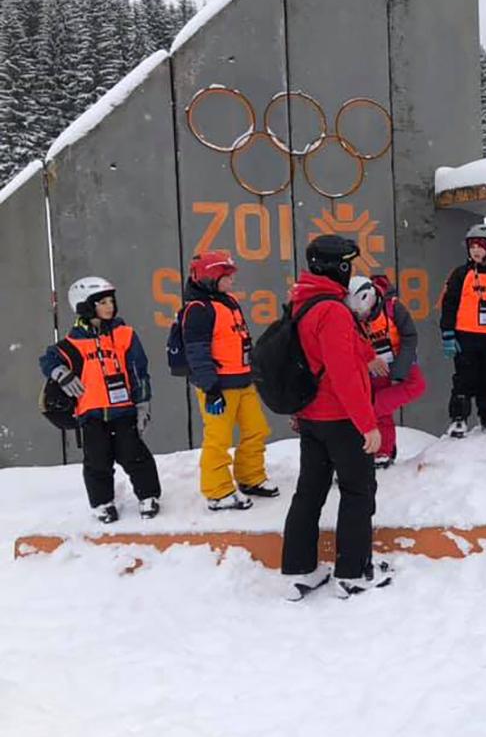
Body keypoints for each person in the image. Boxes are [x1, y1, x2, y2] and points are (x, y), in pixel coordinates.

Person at [281, 235, 389, 600]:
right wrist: (367, 424)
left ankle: (300, 570)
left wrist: (366, 353)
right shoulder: (333, 311)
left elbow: (318, 351)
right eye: (349, 264)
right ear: (339, 267)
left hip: (311, 416)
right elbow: (342, 374)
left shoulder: (304, 300)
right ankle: (353, 573)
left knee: (308, 494)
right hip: (340, 418)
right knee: (358, 492)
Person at [39, 276, 161, 523]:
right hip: (91, 414)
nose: (109, 306)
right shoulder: (72, 343)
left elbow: (140, 370)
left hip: (124, 411)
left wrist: (142, 404)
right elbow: (47, 360)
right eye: (102, 302)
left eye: (111, 301)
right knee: (97, 461)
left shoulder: (125, 334)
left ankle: (148, 496)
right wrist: (60, 373)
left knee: (134, 454)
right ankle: (102, 503)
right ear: (84, 306)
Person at [181, 250, 276, 511]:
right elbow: (197, 352)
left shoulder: (229, 301)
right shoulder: (198, 310)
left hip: (243, 381)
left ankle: (250, 477)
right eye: (226, 276)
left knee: (256, 429)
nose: (232, 281)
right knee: (218, 440)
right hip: (218, 386)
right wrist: (210, 389)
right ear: (211, 278)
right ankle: (218, 491)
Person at [439, 223, 486, 438]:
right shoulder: (461, 274)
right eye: (472, 246)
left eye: (481, 245)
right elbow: (449, 304)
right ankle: (458, 419)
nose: (475, 250)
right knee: (463, 379)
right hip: (466, 337)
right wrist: (447, 333)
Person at [346, 274, 426, 468]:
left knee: (415, 386)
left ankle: (371, 410)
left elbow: (409, 335)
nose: (362, 317)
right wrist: (367, 362)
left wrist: (401, 368)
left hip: (399, 360)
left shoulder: (393, 307)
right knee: (382, 412)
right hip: (373, 367)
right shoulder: (350, 317)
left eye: (363, 313)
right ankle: (383, 450)